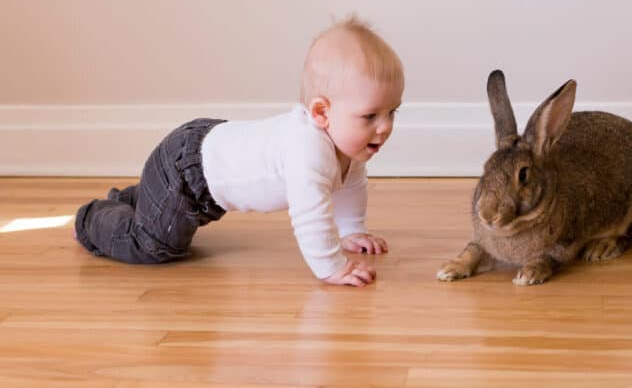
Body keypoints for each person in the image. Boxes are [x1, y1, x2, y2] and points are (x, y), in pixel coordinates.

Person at [74, 16, 404, 287]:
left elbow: (350, 186)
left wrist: (351, 230)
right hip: (190, 173)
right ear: (321, 113)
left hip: (204, 155)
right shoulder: (309, 150)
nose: (385, 126)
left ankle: (134, 200)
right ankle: (91, 217)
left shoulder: (350, 145)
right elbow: (310, 215)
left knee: (160, 212)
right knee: (154, 245)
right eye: (370, 116)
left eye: (392, 112)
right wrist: (332, 265)